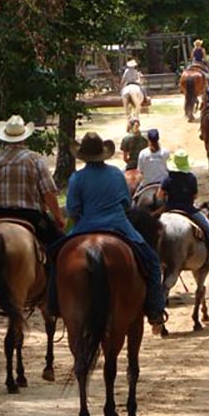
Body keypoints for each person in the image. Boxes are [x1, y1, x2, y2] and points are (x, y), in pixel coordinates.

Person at [65, 131, 166, 334]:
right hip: (119, 225)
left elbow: (73, 210)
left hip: (85, 226)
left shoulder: (76, 178)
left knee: (55, 256)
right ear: (103, 153)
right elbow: (126, 203)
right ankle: (155, 312)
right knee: (152, 263)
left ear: (83, 156)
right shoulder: (116, 174)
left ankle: (53, 305)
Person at [0, 115, 66, 248]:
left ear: (4, 138)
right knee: (59, 244)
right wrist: (58, 217)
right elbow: (48, 192)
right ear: (24, 137)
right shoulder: (35, 159)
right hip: (30, 215)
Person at [158, 149, 209, 270]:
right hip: (189, 210)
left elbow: (159, 196)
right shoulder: (191, 178)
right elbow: (195, 196)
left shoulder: (167, 179)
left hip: (169, 209)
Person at [135, 128, 170, 193]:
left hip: (146, 184)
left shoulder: (143, 153)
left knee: (134, 199)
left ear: (148, 139)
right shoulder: (165, 152)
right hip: (163, 184)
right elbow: (169, 169)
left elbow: (140, 171)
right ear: (158, 139)